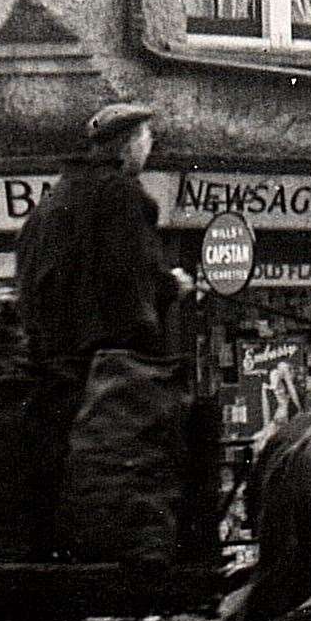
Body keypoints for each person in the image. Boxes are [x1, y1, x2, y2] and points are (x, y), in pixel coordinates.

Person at [15, 100, 195, 558]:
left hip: (52, 373)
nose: (150, 148)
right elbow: (128, 281)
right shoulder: (123, 196)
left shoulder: (51, 203)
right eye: (148, 139)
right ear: (131, 145)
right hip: (102, 377)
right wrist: (170, 286)